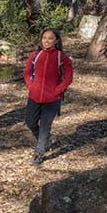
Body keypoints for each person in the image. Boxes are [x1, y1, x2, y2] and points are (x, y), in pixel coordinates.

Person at [23, 28, 73, 165]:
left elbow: (68, 78)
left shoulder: (62, 57)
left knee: (45, 126)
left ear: (56, 41)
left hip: (52, 99)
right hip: (34, 96)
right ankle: (43, 140)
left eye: (50, 38)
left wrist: (57, 91)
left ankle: (39, 153)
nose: (46, 41)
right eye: (44, 38)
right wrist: (31, 86)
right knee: (30, 122)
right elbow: (27, 73)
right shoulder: (34, 55)